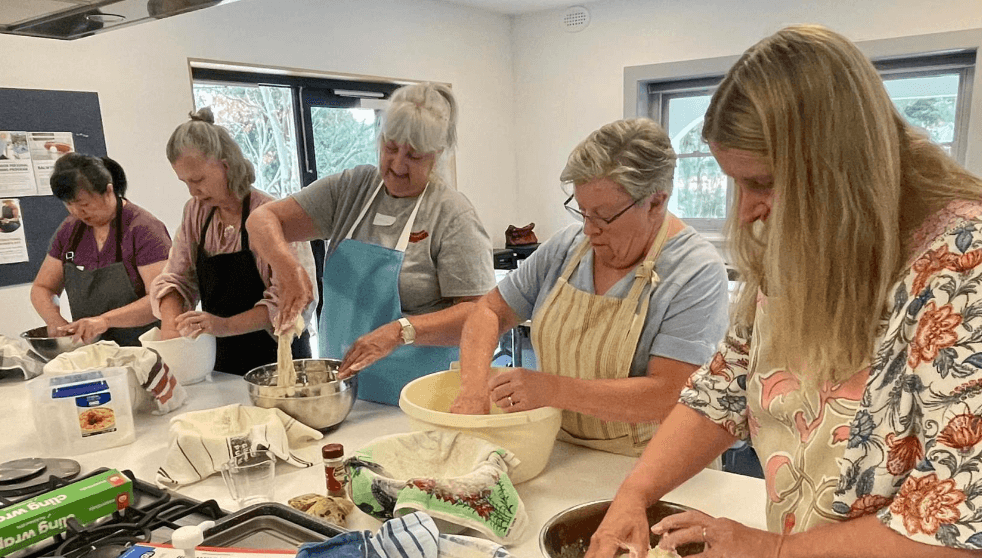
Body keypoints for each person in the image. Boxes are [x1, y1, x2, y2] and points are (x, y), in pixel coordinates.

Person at [581, 25, 982, 558]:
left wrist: (767, 549)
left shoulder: (961, 266)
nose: (745, 212)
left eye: (762, 182)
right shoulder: (803, 245)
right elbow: (723, 390)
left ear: (840, 168)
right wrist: (634, 494)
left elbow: (959, 519)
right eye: (736, 183)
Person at [451, 118, 729, 456]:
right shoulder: (565, 248)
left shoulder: (695, 270)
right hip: (561, 450)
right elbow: (490, 310)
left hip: (651, 462)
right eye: (582, 211)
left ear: (656, 202)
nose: (589, 229)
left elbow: (667, 393)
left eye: (603, 216)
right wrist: (473, 388)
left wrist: (552, 389)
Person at [247, 82, 495, 405]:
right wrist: (287, 267)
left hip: (420, 400)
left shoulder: (451, 214)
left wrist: (401, 331)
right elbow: (261, 220)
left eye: (414, 156)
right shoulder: (352, 189)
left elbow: (481, 315)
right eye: (390, 148)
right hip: (344, 397)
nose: (397, 165)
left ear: (437, 156)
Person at [150, 109, 318, 376]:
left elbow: (292, 300)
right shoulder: (195, 213)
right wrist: (171, 326)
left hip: (278, 359)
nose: (193, 191)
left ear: (226, 166)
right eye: (185, 182)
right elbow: (176, 278)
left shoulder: (271, 215)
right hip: (223, 362)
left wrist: (223, 325)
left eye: (198, 180)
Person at [30, 154, 170, 345]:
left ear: (108, 191)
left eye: (84, 204)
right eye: (69, 205)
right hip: (94, 350)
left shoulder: (144, 229)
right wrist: (55, 320)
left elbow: (161, 300)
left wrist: (105, 321)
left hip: (144, 348)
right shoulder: (70, 230)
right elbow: (43, 288)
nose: (77, 213)